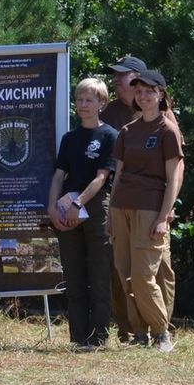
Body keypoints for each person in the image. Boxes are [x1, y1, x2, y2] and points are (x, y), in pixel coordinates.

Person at [109, 69, 182, 352]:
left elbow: (174, 177)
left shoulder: (168, 130)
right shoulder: (127, 131)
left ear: (161, 94)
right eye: (139, 91)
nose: (143, 96)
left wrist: (164, 217)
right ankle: (140, 332)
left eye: (150, 91)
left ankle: (161, 332)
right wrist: (109, 216)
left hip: (151, 208)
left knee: (143, 275)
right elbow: (118, 175)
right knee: (124, 272)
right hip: (120, 208)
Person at [47, 77, 119, 350]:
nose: (84, 105)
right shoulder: (69, 138)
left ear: (102, 102)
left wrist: (80, 204)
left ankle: (98, 338)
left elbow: (102, 177)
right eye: (79, 100)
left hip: (96, 206)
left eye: (90, 100)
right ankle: (78, 339)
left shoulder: (109, 135)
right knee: (74, 276)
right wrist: (53, 206)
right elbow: (58, 175)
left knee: (99, 275)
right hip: (67, 209)